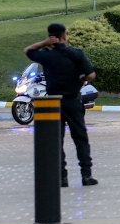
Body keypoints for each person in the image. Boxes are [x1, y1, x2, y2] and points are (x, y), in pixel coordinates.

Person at [24, 23, 98, 187]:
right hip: (73, 102)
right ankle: (86, 176)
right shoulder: (76, 54)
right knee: (80, 140)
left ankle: (61, 178)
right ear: (65, 36)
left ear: (52, 38)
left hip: (53, 104)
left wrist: (44, 43)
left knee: (57, 142)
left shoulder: (47, 56)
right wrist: (81, 79)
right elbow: (91, 74)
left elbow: (28, 51)